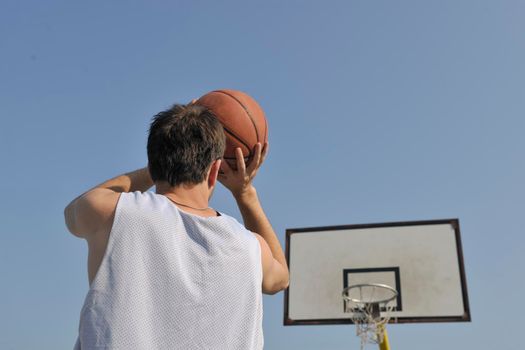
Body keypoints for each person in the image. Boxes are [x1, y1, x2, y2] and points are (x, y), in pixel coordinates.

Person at [64, 103, 289, 349]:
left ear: (154, 161)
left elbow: (74, 211)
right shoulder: (250, 248)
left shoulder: (114, 212)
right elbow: (281, 279)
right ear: (214, 170)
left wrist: (155, 166)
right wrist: (245, 193)